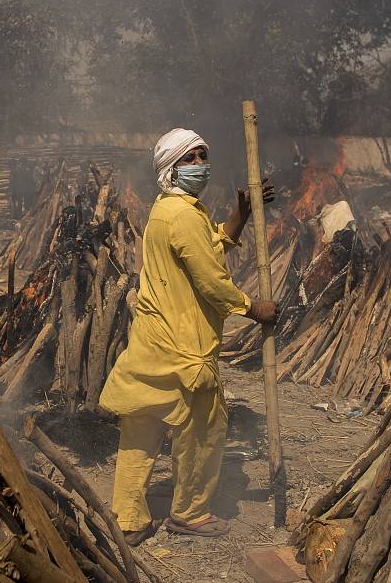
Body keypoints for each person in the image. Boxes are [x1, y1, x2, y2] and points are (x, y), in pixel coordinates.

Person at [99, 127, 277, 545]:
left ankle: (128, 518)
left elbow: (209, 246)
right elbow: (212, 279)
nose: (201, 165)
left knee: (140, 430)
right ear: (170, 169)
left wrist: (240, 215)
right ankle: (191, 513)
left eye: (203, 156)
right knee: (203, 431)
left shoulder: (168, 211)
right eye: (191, 158)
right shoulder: (181, 216)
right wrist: (254, 309)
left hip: (153, 342)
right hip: (185, 349)